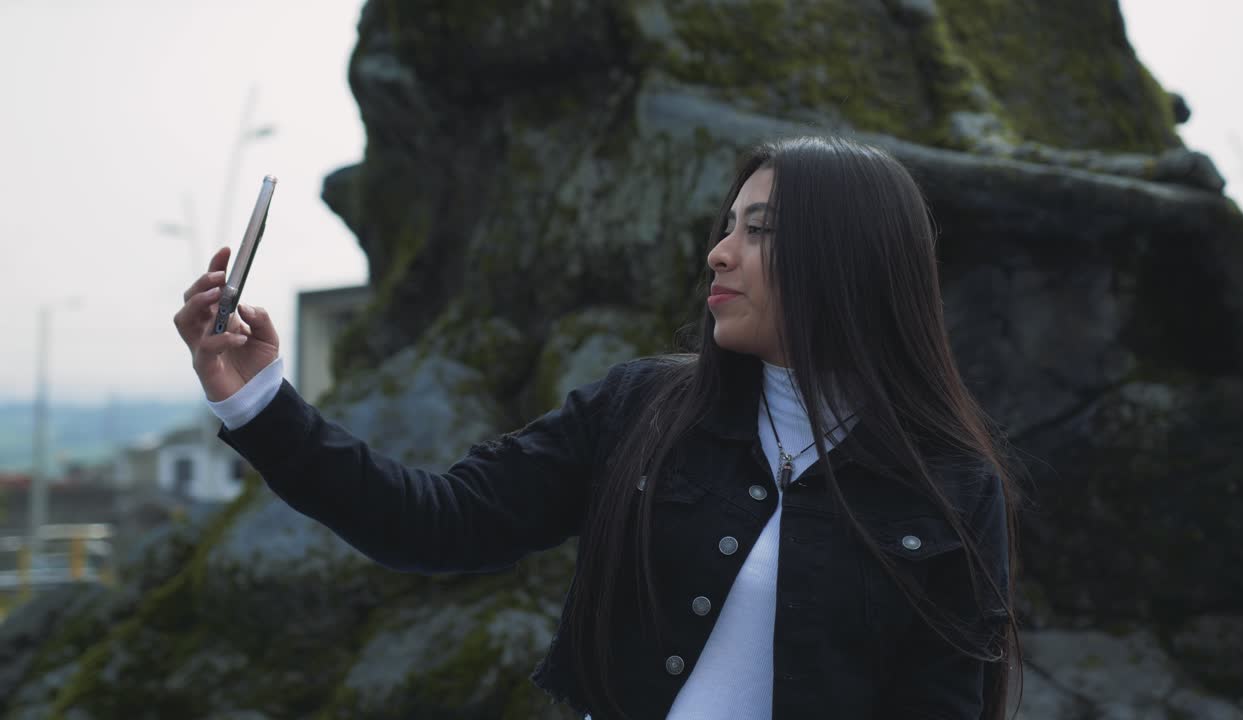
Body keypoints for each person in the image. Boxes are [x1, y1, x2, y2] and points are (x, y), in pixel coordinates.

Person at [173, 135, 1022, 719]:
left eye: (758, 232)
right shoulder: (641, 408)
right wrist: (259, 404)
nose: (719, 253)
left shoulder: (948, 483)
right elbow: (435, 521)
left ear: (852, 260)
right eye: (724, 227)